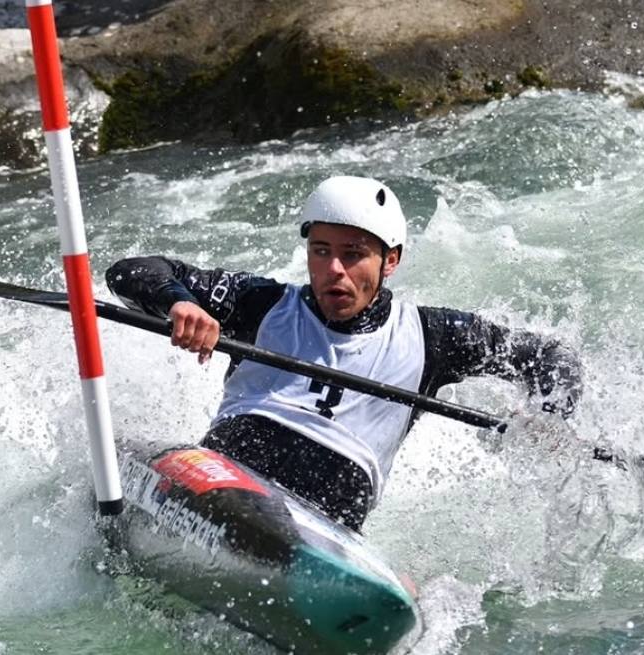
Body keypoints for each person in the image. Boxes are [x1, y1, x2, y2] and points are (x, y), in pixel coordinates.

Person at [106, 175, 582, 531]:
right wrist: (179, 301)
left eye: (353, 254)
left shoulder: (433, 336)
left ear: (390, 260)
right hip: (226, 484)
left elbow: (549, 356)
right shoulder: (261, 303)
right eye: (320, 251)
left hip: (328, 520)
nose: (334, 270)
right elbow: (130, 271)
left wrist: (551, 414)